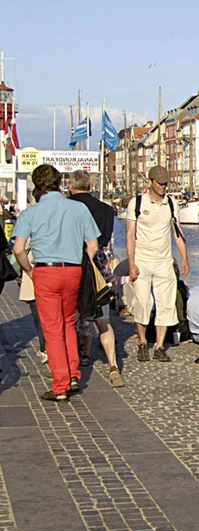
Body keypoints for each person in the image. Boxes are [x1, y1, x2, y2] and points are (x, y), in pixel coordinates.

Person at [11, 165, 99, 402]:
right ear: (60, 182)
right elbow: (93, 245)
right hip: (72, 270)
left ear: (36, 186)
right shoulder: (78, 208)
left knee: (52, 328)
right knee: (68, 322)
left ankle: (60, 384)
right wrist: (81, 263)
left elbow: (18, 249)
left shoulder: (31, 213)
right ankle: (73, 374)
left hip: (46, 270)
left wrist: (29, 270)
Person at [126, 165, 189, 363]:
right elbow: (129, 235)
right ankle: (142, 342)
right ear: (150, 182)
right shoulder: (136, 204)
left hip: (164, 260)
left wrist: (184, 257)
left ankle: (159, 346)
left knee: (166, 304)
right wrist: (131, 263)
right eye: (160, 183)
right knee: (143, 302)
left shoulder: (171, 204)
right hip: (142, 259)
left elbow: (177, 233)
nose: (163, 186)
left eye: (165, 183)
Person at [67, 170, 121, 385]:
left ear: (71, 187)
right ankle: (113, 365)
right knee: (103, 321)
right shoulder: (107, 211)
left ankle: (71, 367)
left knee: (69, 320)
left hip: (72, 266)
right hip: (98, 271)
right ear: (90, 187)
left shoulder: (68, 208)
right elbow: (108, 247)